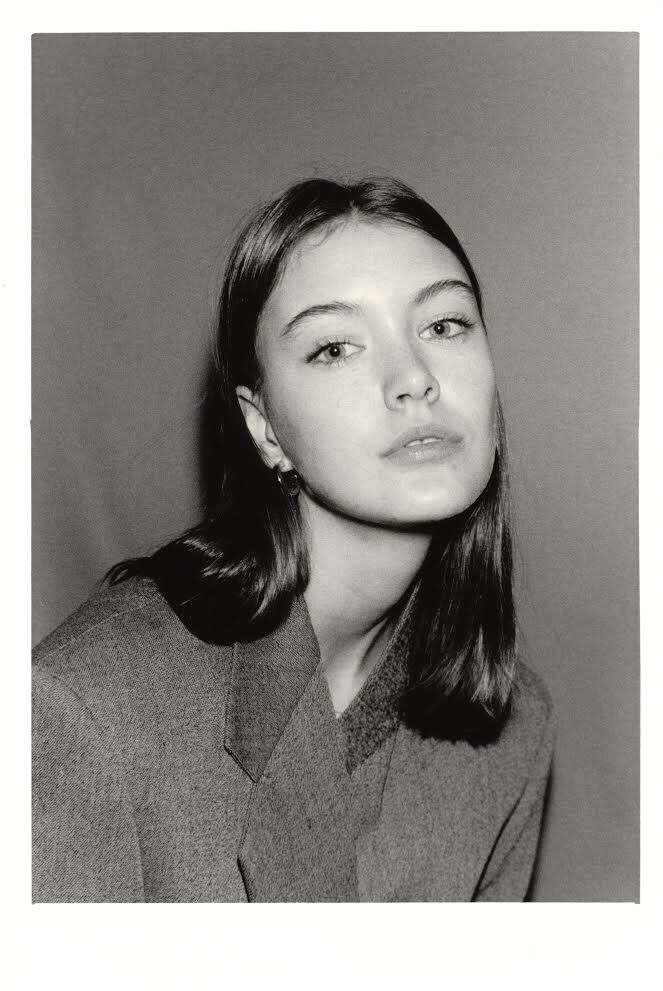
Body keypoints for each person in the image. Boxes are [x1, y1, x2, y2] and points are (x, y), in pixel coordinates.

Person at [32, 176, 555, 903]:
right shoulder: (87, 710)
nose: (413, 379)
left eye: (443, 326)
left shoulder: (512, 729)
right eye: (335, 346)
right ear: (264, 428)